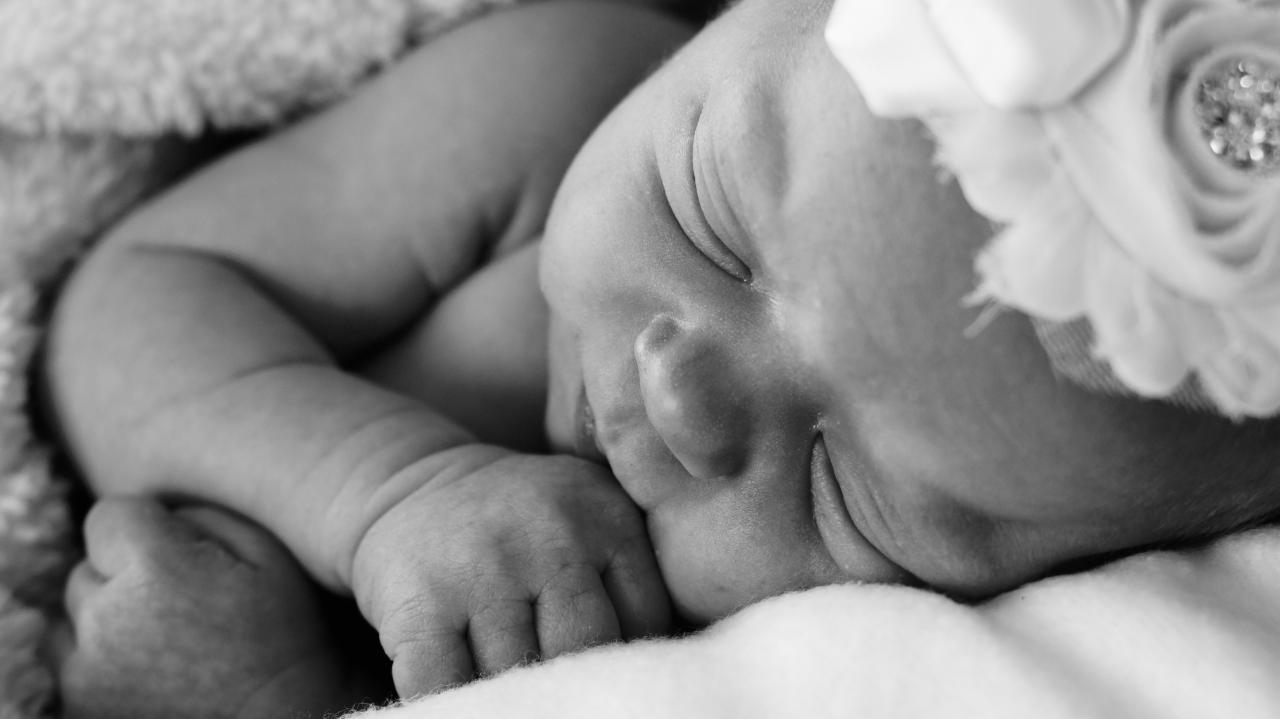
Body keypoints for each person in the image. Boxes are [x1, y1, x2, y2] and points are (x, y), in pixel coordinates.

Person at [42, 0, 1280, 716]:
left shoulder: (776, 656)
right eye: (705, 219)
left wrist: (275, 689)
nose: (684, 396)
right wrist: (385, 490)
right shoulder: (551, 98)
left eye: (847, 495)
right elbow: (144, 288)